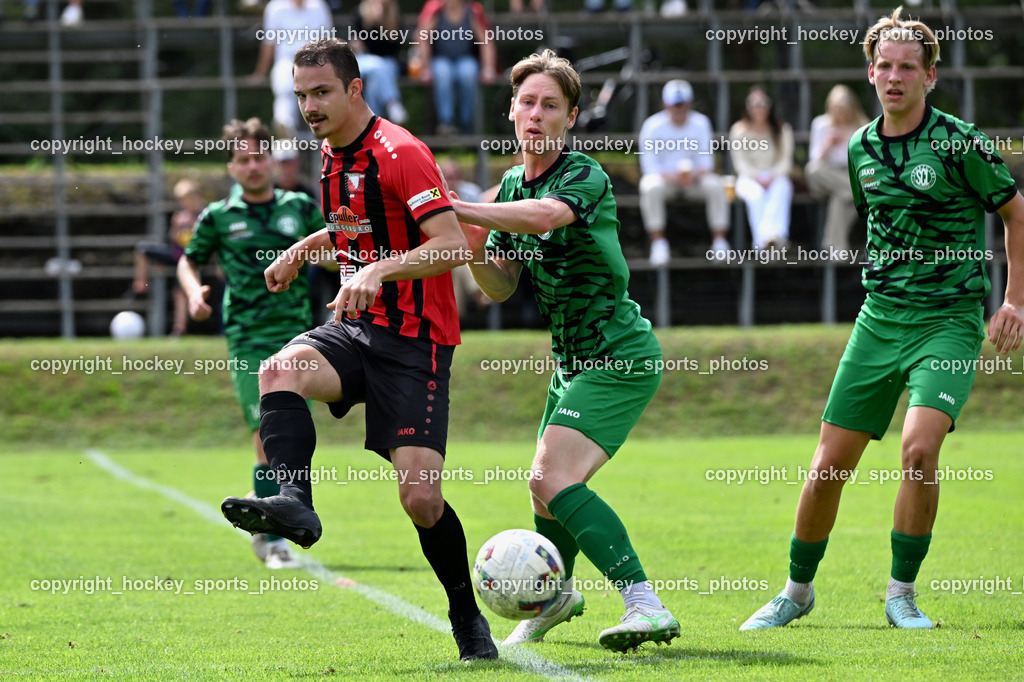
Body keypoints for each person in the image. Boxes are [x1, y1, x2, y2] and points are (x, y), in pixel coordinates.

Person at [740, 7, 1024, 631]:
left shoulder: (959, 142)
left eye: (908, 68)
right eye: (885, 66)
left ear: (930, 76)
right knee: (827, 467)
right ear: (870, 73)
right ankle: (796, 592)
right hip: (879, 319)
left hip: (948, 320)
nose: (895, 77)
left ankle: (901, 595)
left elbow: (1016, 213)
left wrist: (1014, 301)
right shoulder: (860, 147)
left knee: (919, 450)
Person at [218, 38, 499, 662]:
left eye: (321, 93)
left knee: (421, 500)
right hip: (356, 328)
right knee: (279, 371)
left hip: (416, 343)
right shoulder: (329, 155)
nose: (309, 107)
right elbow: (353, 228)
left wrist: (379, 271)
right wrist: (301, 252)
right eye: (301, 95)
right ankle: (295, 503)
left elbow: (452, 244)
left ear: (354, 89)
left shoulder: (402, 152)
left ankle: (465, 614)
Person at [447, 49, 680, 652]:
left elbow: (547, 217)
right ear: (511, 111)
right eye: (527, 102)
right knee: (544, 492)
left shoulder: (584, 174)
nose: (536, 114)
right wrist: (473, 246)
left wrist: (459, 206)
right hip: (570, 361)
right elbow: (500, 286)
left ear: (571, 117)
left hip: (617, 353)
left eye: (550, 105)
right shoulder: (510, 185)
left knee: (550, 478)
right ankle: (556, 598)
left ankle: (646, 605)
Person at [178, 117, 324, 570]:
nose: (253, 166)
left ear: (272, 161)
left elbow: (336, 249)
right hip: (248, 340)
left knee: (289, 440)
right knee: (266, 435)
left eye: (259, 157)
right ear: (231, 168)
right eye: (243, 160)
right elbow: (189, 260)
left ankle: (260, 509)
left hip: (298, 339)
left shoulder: (299, 207)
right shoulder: (218, 217)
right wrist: (194, 293)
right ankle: (274, 540)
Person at [639, 79, 730, 265]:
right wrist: (670, 176)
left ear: (689, 104)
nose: (679, 109)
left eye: (682, 104)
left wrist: (693, 175)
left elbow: (707, 161)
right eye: (675, 105)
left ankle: (719, 242)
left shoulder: (701, 123)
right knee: (649, 187)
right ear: (665, 104)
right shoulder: (652, 126)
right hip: (665, 181)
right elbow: (649, 164)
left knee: (715, 185)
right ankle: (658, 244)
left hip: (695, 181)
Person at [129, 178, 207, 336]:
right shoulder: (180, 216)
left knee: (179, 292)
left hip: (192, 258)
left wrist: (193, 225)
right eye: (182, 200)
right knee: (142, 250)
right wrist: (177, 227)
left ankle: (179, 328)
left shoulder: (204, 217)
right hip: (177, 255)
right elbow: (174, 240)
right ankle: (140, 285)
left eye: (188, 199)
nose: (185, 203)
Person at [414, 0, 498, 135]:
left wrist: (488, 68)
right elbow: (422, 38)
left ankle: (466, 122)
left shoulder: (472, 11)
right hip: (441, 59)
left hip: (465, 58)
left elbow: (485, 40)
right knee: (442, 73)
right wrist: (425, 68)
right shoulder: (435, 10)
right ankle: (446, 122)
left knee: (469, 72)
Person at [252, 0, 334, 136]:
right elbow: (269, 44)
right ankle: (285, 124)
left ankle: (320, 128)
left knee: (319, 88)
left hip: (316, 60)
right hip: (286, 61)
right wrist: (260, 73)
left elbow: (328, 43)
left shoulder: (319, 6)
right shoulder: (275, 7)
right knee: (284, 84)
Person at [729, 85, 794, 250]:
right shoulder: (738, 130)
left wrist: (772, 175)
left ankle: (775, 238)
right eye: (754, 104)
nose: (758, 109)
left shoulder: (782, 129)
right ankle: (764, 243)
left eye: (762, 104)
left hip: (776, 176)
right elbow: (740, 163)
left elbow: (785, 161)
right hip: (748, 178)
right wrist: (756, 177)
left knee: (781, 189)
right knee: (756, 195)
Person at [805, 84, 869, 252]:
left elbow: (866, 161)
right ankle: (855, 192)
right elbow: (815, 160)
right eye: (836, 109)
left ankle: (835, 248)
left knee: (840, 198)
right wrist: (828, 145)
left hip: (849, 175)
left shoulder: (862, 127)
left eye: (843, 109)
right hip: (826, 177)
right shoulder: (821, 124)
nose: (839, 114)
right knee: (812, 169)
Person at [350, 0, 408, 125]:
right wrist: (372, 23)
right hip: (365, 60)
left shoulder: (394, 16)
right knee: (378, 65)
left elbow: (394, 47)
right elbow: (359, 46)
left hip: (388, 62)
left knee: (375, 82)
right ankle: (392, 102)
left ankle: (373, 123)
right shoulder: (359, 13)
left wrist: (381, 24)